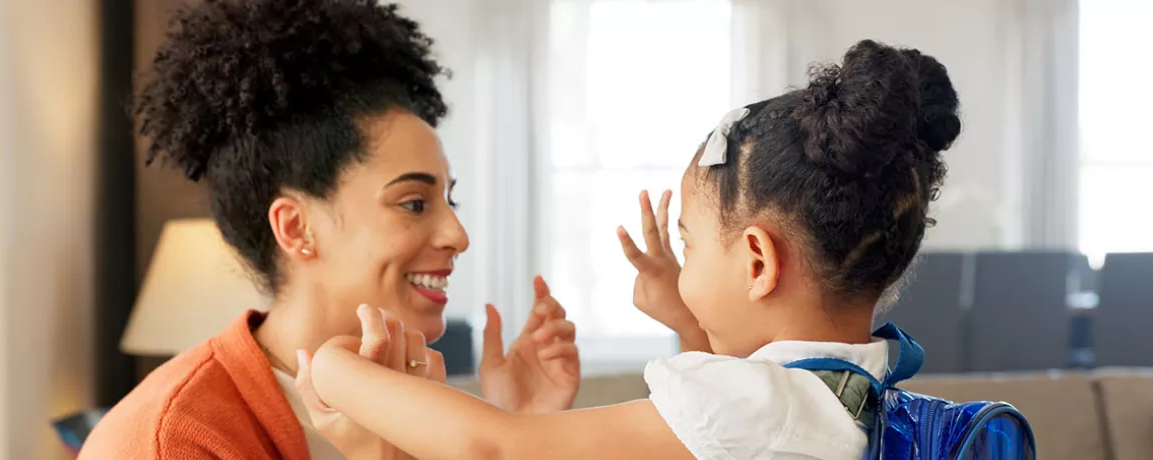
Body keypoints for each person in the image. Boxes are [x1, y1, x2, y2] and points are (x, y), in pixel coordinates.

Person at [299, 39, 962, 460]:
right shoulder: (854, 399)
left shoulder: (757, 409)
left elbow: (494, 449)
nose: (682, 268)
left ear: (758, 263)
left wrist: (332, 367)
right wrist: (686, 316)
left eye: (689, 245)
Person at [78, 0, 581, 459]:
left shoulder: (422, 408)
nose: (458, 235)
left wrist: (523, 429)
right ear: (296, 228)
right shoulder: (172, 440)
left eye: (450, 200)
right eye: (413, 203)